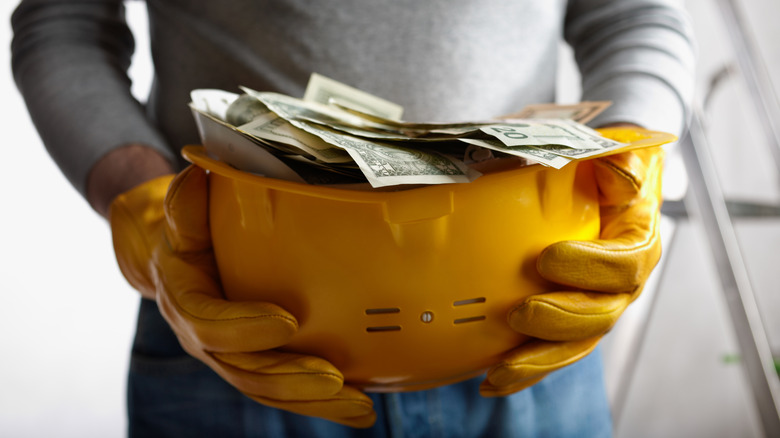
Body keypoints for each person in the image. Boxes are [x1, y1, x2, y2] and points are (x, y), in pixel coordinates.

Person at [11, 0, 695, 436]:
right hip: (232, 334)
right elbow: (62, 24)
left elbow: (637, 13)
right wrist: (144, 202)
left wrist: (628, 163)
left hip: (535, 335)